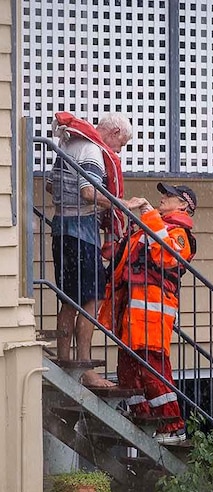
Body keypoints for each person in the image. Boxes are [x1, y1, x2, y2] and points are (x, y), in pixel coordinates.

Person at [100, 183, 198, 444]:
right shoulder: (149, 227)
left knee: (154, 370)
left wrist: (147, 213)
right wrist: (115, 224)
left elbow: (169, 258)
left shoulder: (179, 234)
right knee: (128, 371)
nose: (162, 199)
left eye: (169, 196)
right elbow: (119, 259)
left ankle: (173, 426)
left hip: (152, 315)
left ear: (184, 205)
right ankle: (141, 416)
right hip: (131, 314)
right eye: (163, 195)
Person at [47, 112, 133, 388]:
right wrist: (121, 204)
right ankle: (85, 368)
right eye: (123, 143)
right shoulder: (93, 150)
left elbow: (51, 185)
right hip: (81, 232)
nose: (119, 150)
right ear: (115, 131)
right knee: (92, 299)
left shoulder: (70, 144)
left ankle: (63, 359)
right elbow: (88, 191)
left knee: (69, 299)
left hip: (62, 229)